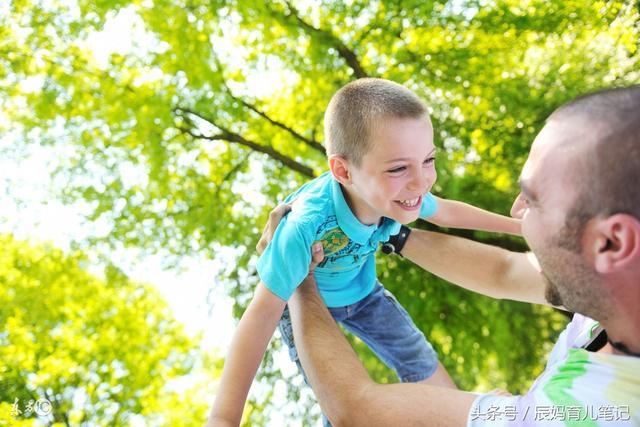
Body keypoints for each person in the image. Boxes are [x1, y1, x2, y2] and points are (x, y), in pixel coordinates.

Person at [260, 85, 640, 426]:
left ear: (612, 242)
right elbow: (503, 270)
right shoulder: (613, 287)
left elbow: (357, 408)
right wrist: (393, 229)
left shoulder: (581, 414)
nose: (515, 210)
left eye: (534, 200)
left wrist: (300, 278)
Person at [207, 78, 521, 426]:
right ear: (343, 171)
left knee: (415, 352)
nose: (422, 181)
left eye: (428, 160)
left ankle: (469, 416)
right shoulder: (304, 227)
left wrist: (521, 228)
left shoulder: (398, 193)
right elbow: (259, 317)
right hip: (308, 305)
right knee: (337, 397)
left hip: (362, 291)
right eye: (399, 168)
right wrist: (223, 418)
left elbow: (447, 212)